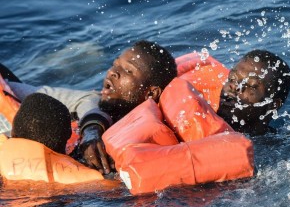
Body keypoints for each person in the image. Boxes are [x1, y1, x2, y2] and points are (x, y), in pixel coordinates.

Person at [1, 40, 178, 174]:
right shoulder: (101, 106)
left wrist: (92, 131)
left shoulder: (142, 135)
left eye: (128, 71)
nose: (112, 72)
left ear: (150, 93)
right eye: (115, 65)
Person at [217, 50, 290, 135]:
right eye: (232, 79)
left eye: (252, 85)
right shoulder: (204, 121)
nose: (235, 86)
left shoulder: (274, 147)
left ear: (273, 105)